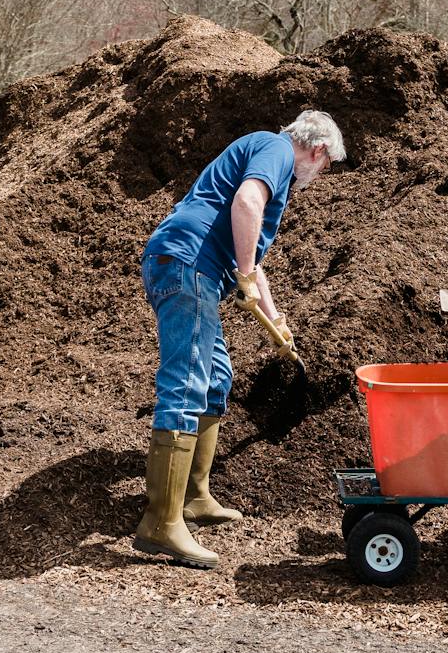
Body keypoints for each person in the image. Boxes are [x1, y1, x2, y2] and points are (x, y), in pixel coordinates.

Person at [133, 110, 346, 568]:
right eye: (325, 166)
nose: (318, 175)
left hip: (193, 270)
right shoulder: (275, 149)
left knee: (215, 379)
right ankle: (160, 523)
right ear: (318, 151)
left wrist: (276, 318)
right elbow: (247, 204)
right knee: (187, 382)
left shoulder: (269, 160)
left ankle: (193, 497)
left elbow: (252, 256)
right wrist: (245, 274)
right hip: (188, 265)